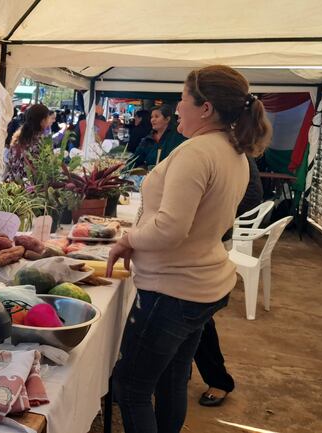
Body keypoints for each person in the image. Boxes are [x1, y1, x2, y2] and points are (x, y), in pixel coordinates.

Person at [106, 65, 272, 433]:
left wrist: (128, 240)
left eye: (182, 100)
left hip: (172, 290)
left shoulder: (197, 153)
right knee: (172, 380)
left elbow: (170, 228)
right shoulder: (234, 151)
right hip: (203, 283)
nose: (177, 108)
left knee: (130, 387)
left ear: (206, 108)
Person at [195, 155, 263, 407]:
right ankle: (189, 372)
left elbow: (253, 195)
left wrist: (213, 212)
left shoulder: (233, 150)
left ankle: (219, 380)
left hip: (210, 241)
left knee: (198, 316)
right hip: (197, 242)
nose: (179, 112)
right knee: (194, 316)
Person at [5, 103, 53, 183]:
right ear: (42, 121)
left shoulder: (17, 138)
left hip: (14, 186)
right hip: (32, 188)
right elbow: (47, 166)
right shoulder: (42, 140)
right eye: (48, 118)